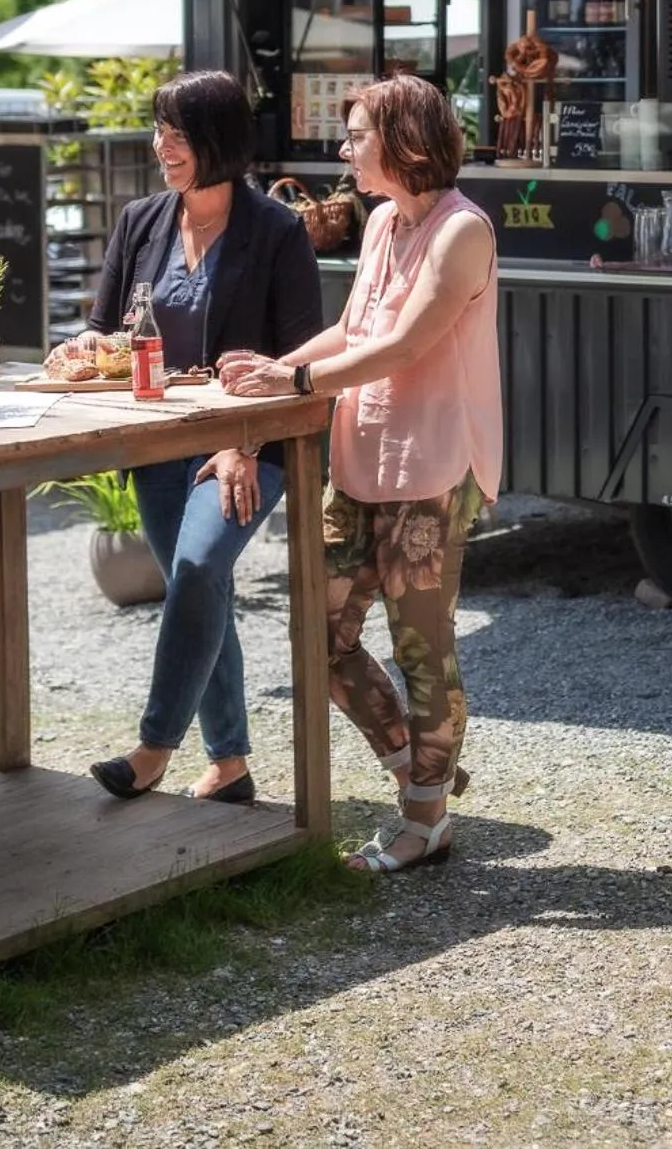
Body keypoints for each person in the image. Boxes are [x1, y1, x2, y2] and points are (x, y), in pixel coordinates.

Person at [224, 74, 499, 873]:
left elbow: (407, 344)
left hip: (434, 465)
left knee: (423, 649)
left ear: (405, 142)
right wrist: (277, 366)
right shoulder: (381, 222)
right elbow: (353, 330)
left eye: (356, 138)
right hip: (362, 456)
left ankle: (424, 822)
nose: (344, 152)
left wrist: (297, 384)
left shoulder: (463, 232)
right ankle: (422, 770)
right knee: (320, 634)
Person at [78, 70, 324, 805]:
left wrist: (243, 440)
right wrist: (80, 350)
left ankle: (153, 747)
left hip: (249, 445)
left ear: (218, 142)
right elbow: (103, 328)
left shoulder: (277, 231)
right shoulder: (141, 221)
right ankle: (231, 765)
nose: (161, 147)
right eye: (159, 131)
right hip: (154, 444)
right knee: (200, 584)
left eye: (177, 135)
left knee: (195, 567)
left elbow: (301, 355)